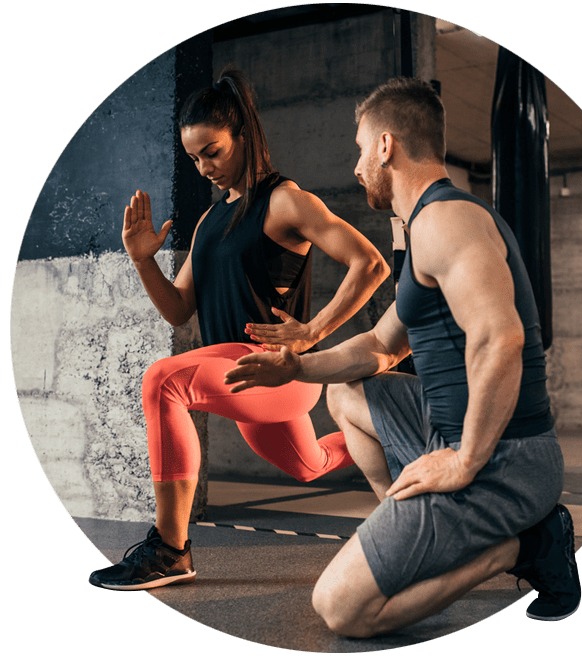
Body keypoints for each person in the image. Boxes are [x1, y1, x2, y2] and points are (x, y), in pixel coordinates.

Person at [224, 76, 581, 635]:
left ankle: (522, 547)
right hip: (451, 428)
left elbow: (501, 338)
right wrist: (297, 365)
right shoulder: (429, 228)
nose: (357, 165)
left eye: (361, 148)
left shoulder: (446, 221)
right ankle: (407, 532)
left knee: (341, 610)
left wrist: (464, 459)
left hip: (503, 457)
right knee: (345, 392)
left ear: (386, 145)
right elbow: (380, 347)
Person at [88, 67, 389, 591]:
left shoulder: (285, 201)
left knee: (164, 379)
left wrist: (312, 333)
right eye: (195, 158)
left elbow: (370, 264)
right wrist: (142, 263)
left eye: (214, 151)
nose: (205, 167)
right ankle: (394, 436)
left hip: (276, 370)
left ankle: (170, 548)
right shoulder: (209, 222)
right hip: (238, 372)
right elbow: (178, 309)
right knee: (310, 465)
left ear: (242, 137)